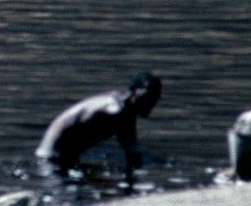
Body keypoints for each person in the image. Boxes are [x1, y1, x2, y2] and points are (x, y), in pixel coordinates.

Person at [36, 73, 164, 180]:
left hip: (59, 157)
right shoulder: (116, 109)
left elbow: (132, 151)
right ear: (138, 94)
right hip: (51, 156)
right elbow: (131, 150)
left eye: (155, 99)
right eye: (151, 98)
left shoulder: (125, 112)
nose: (153, 104)